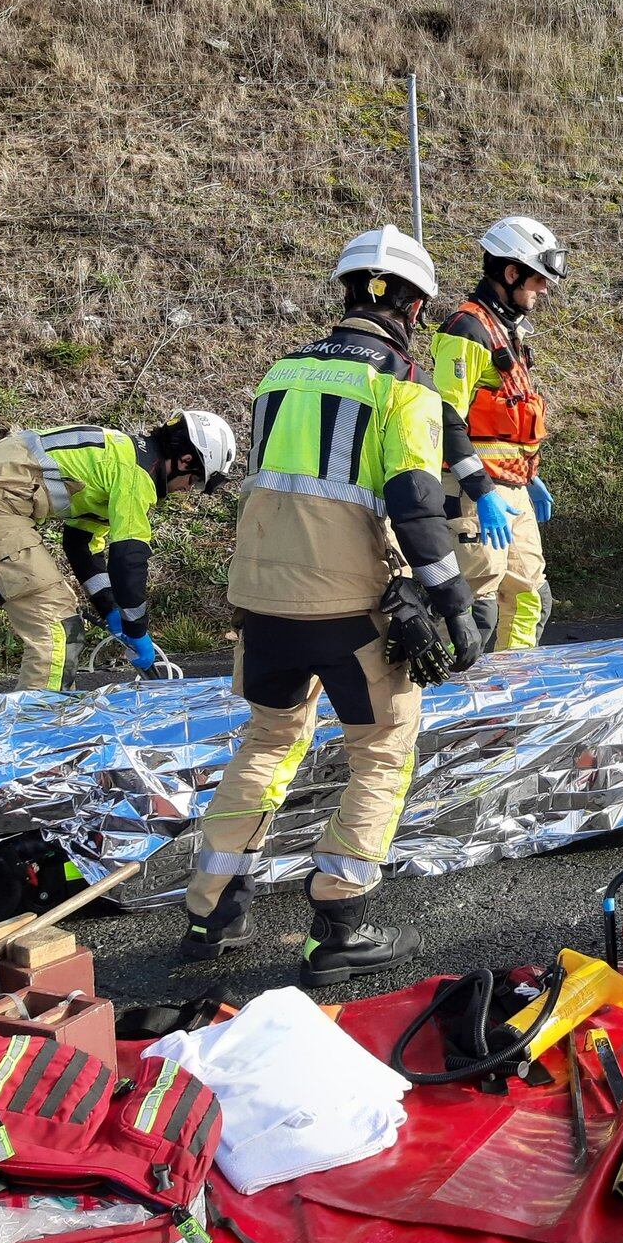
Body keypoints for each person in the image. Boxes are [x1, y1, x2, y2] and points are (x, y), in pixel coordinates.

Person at [182, 224, 481, 985]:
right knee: (380, 752)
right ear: (413, 308)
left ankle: (212, 909)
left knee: (269, 740)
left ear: (348, 292)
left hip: (261, 602)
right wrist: (455, 606)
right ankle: (337, 926)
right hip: (349, 608)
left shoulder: (278, 377)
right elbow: (416, 511)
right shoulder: (402, 391)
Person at [0, 411, 237, 690]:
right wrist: (137, 629)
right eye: (196, 481)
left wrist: (109, 608)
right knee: (58, 630)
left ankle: (38, 718)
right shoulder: (136, 474)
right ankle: (36, 729)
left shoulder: (122, 456)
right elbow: (128, 558)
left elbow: (81, 543)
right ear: (185, 460)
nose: (187, 490)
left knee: (62, 621)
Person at [432, 215, 564, 652]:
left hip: (513, 487)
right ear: (511, 273)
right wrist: (482, 490)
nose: (542, 289)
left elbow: (508, 419)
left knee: (530, 596)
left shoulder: (508, 329)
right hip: (476, 492)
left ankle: (509, 701)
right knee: (475, 607)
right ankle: (444, 711)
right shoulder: (466, 329)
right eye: (538, 279)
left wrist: (526, 474)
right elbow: (445, 417)